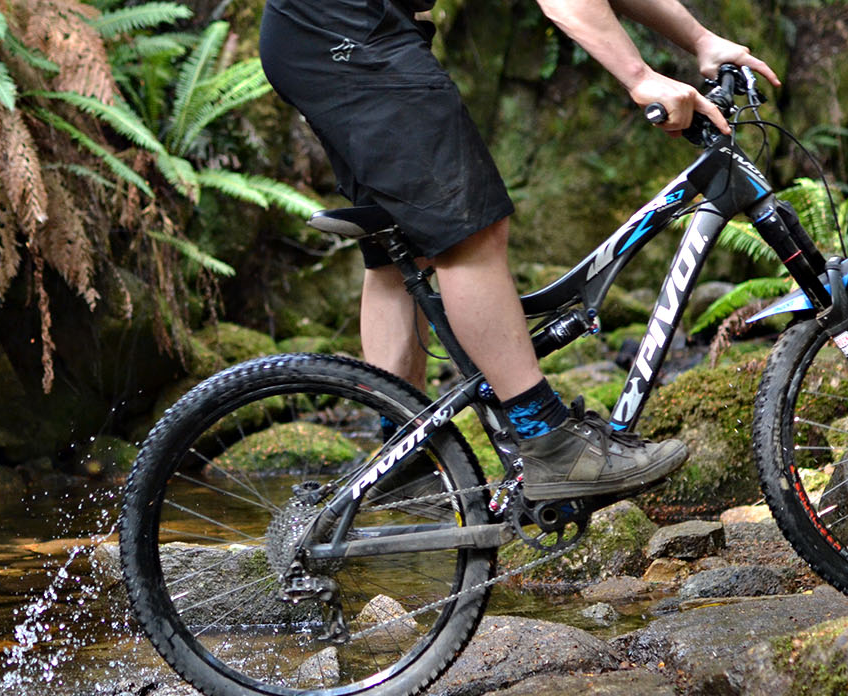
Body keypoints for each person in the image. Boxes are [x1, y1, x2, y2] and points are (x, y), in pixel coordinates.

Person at [259, 0, 780, 502]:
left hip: (333, 32)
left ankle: (407, 458)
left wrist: (701, 39)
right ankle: (548, 442)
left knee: (403, 247)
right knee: (470, 235)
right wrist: (641, 78)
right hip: (351, 34)